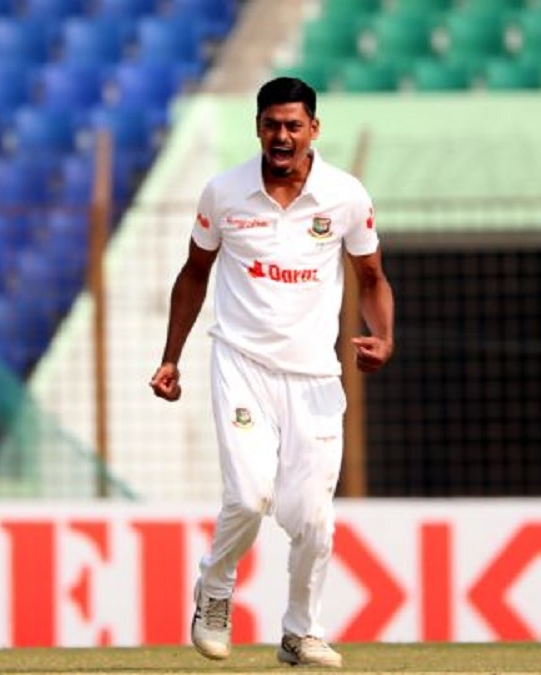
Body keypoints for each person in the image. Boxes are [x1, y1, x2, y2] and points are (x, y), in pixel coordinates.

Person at [148, 77, 394, 668]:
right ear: (257, 128)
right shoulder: (224, 193)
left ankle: (300, 633)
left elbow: (371, 277)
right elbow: (194, 273)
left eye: (293, 126)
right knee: (249, 493)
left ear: (314, 129)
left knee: (312, 519)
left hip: (314, 376)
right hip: (241, 363)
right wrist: (171, 357)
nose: (282, 137)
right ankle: (214, 589)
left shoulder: (344, 196)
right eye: (271, 125)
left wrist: (384, 337)